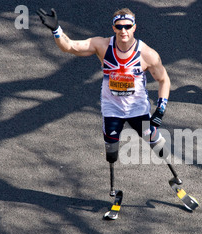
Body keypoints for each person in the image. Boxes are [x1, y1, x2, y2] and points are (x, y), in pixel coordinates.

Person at [37, 8, 173, 218]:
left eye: (127, 27)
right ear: (114, 28)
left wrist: (160, 111)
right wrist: (56, 30)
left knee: (154, 141)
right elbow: (70, 47)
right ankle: (113, 190)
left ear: (134, 27)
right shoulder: (102, 45)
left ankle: (175, 178)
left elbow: (164, 80)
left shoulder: (147, 54)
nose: (123, 31)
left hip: (138, 109)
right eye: (119, 27)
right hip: (112, 109)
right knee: (111, 151)